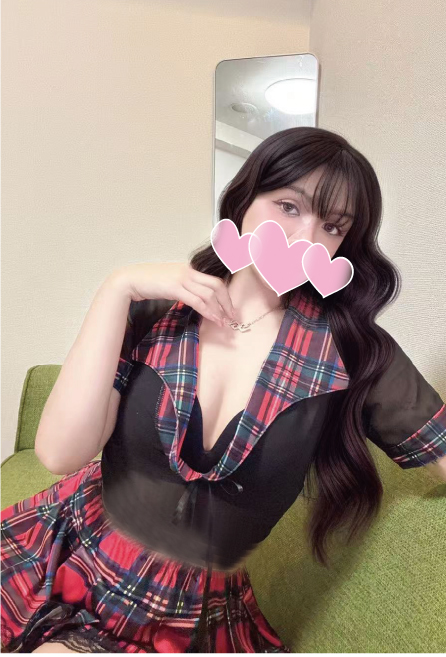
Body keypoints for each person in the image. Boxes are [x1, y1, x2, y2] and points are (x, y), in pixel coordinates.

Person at [2, 127, 446, 654]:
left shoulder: (356, 352)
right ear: (244, 200)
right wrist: (116, 288)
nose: (306, 238)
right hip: (68, 549)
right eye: (288, 207)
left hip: (190, 610)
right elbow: (60, 454)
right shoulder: (156, 312)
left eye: (332, 226)